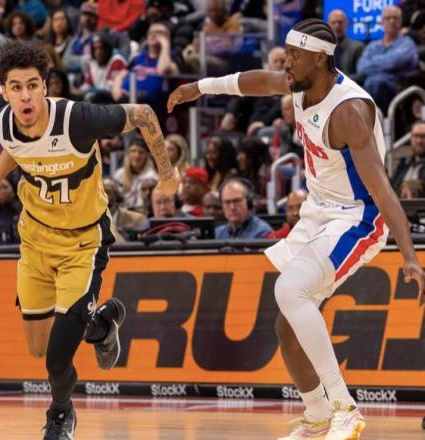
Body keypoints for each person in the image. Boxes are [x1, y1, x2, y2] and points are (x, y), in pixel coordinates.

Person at [168, 18, 425, 440]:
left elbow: (383, 191)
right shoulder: (300, 83)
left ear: (320, 59)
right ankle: (317, 415)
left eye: (294, 55)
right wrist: (201, 87)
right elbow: (255, 82)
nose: (286, 63)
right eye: (286, 54)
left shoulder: (349, 111)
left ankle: (344, 407)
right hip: (318, 213)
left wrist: (410, 256)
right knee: (287, 325)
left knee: (289, 290)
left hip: (357, 217)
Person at [0, 41, 179, 439]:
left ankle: (60, 415)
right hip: (35, 242)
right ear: (4, 91)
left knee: (57, 360)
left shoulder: (77, 119)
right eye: (16, 87)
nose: (26, 95)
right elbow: (17, 151)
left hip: (82, 245)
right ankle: (101, 325)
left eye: (33, 85)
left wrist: (168, 173)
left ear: (45, 86)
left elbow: (143, 114)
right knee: (38, 347)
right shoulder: (1, 126)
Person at [356, 6, 418, 113]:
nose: (392, 21)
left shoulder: (407, 44)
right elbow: (361, 68)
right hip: (369, 86)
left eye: (395, 18)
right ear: (382, 22)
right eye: (388, 18)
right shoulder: (372, 46)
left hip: (397, 89)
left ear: (400, 21)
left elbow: (394, 63)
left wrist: (373, 61)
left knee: (376, 82)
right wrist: (386, 62)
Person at [327, 9, 364, 77]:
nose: (337, 26)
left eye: (340, 22)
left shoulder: (357, 48)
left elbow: (361, 75)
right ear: (328, 25)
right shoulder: (324, 50)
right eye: (333, 23)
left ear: (346, 24)